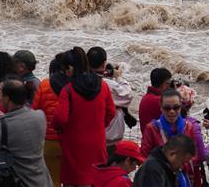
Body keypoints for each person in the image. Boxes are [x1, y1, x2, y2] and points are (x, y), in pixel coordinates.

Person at [52, 46, 115, 187]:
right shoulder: (102, 86)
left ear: (70, 68)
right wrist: (98, 125)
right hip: (97, 143)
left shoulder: (67, 90)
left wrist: (59, 128)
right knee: (96, 180)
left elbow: (60, 118)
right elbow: (111, 112)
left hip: (74, 146)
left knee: (74, 182)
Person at [0, 80, 53, 187]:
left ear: (7, 98)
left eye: (0, 95)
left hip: (19, 181)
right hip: (42, 180)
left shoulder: (1, 126)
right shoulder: (39, 116)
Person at [140, 88, 199, 184]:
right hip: (160, 178)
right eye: (167, 108)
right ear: (161, 108)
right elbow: (144, 157)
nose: (172, 111)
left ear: (181, 107)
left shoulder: (188, 127)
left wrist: (181, 164)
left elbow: (194, 155)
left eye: (176, 107)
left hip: (183, 178)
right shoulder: (152, 128)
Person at [88, 46, 134, 152]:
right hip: (108, 137)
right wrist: (118, 77)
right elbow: (127, 96)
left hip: (90, 132)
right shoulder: (106, 84)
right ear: (104, 63)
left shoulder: (81, 81)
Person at [33, 53, 68, 187]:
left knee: (52, 180)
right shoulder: (74, 86)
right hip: (68, 141)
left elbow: (35, 110)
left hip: (48, 140)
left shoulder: (45, 85)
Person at [176, 83, 209, 186]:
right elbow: (202, 155)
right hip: (191, 173)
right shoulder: (193, 126)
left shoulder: (168, 122)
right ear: (191, 104)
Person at [139, 67, 173, 136]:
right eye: (168, 83)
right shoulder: (157, 100)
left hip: (148, 140)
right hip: (155, 143)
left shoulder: (146, 97)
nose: (170, 86)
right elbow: (179, 117)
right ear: (163, 85)